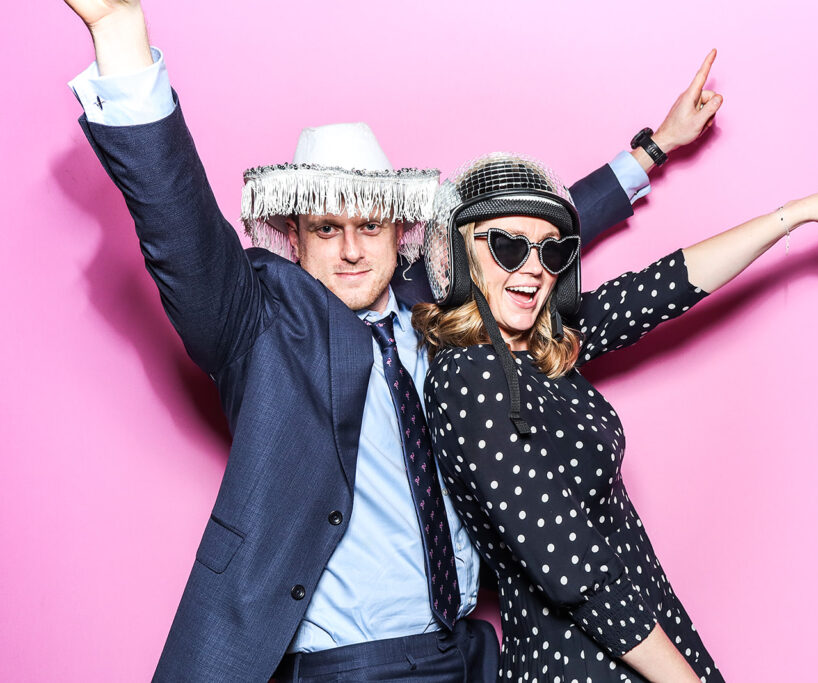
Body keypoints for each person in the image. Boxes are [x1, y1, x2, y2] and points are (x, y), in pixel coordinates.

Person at [62, 1, 723, 680]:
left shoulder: (438, 307)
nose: (350, 250)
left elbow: (521, 237)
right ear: (294, 237)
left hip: (471, 652)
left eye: (369, 226)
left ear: (399, 230)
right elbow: (181, 229)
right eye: (326, 229)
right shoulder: (260, 331)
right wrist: (121, 36)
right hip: (353, 665)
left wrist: (652, 149)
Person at [413, 145, 818, 680]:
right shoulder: (469, 376)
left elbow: (665, 286)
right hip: (582, 663)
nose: (532, 269)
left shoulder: (546, 350)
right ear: (458, 254)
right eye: (507, 245)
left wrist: (799, 212)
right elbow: (571, 569)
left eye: (551, 252)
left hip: (646, 641)